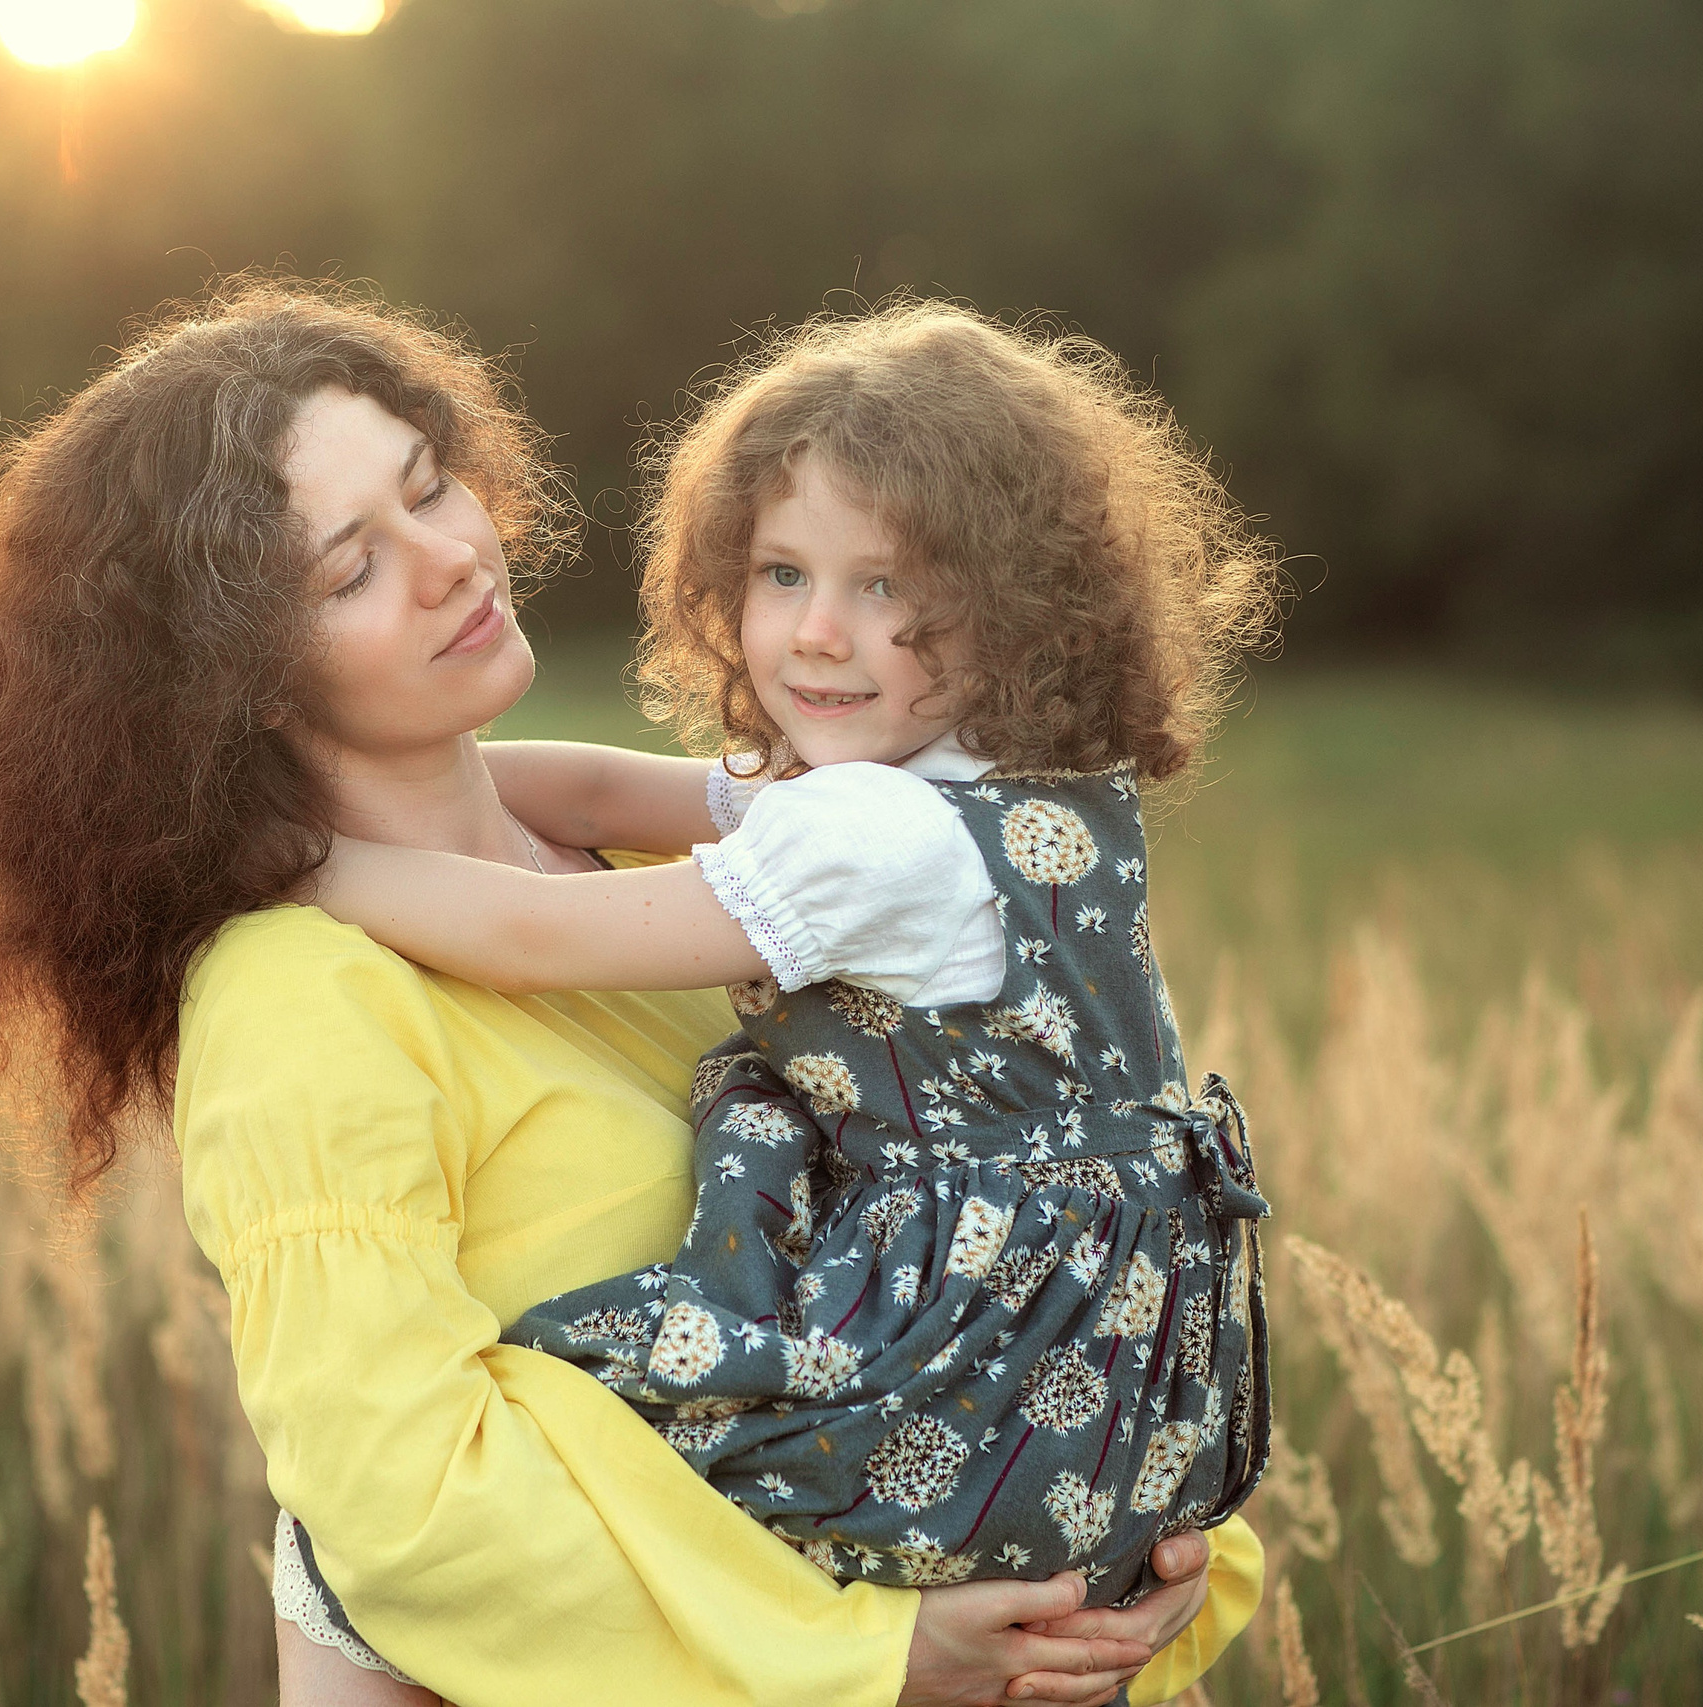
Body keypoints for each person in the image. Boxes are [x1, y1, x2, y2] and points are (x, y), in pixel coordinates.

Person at [0, 278, 1261, 1707]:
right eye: (348, 569)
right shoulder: (301, 989)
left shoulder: (636, 860)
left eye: (432, 487)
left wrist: (1110, 1554)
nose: (451, 561)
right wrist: (879, 1659)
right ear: (231, 686)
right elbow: (401, 1511)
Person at [294, 304, 1281, 1700]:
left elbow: (531, 929)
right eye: (780, 571)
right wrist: (419, 771)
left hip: (970, 1378)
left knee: (551, 1455)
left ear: (1023, 605)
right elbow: (593, 792)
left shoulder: (876, 838)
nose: (820, 634)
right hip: (1108, 1397)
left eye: (891, 587)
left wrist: (298, 860)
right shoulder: (971, 784)